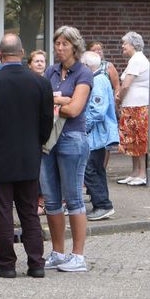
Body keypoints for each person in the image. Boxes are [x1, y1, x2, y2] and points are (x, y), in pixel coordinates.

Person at [0, 34, 53, 278]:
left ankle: (6, 264)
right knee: (29, 211)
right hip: (29, 156)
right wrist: (37, 143)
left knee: (3, 211)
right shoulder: (41, 84)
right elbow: (46, 122)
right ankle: (36, 263)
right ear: (23, 52)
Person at [43, 26, 93, 273]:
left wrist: (55, 100)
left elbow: (75, 110)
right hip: (47, 138)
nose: (60, 48)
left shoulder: (83, 73)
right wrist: (62, 99)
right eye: (57, 43)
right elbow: (39, 100)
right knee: (51, 198)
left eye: (64, 44)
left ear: (75, 46)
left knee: (73, 197)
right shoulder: (51, 71)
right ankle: (57, 252)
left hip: (72, 137)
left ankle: (78, 256)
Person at [81, 50, 117, 220]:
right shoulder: (100, 79)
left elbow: (97, 111)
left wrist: (83, 127)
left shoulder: (98, 81)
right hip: (97, 135)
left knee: (89, 169)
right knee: (96, 169)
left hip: (95, 135)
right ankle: (102, 204)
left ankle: (102, 204)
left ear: (87, 66)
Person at [115, 31, 149, 186]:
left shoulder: (137, 59)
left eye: (125, 43)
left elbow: (126, 84)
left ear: (133, 44)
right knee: (131, 139)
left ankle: (142, 173)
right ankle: (135, 172)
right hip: (132, 105)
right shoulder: (135, 59)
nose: (123, 46)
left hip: (138, 105)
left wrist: (118, 97)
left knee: (139, 139)